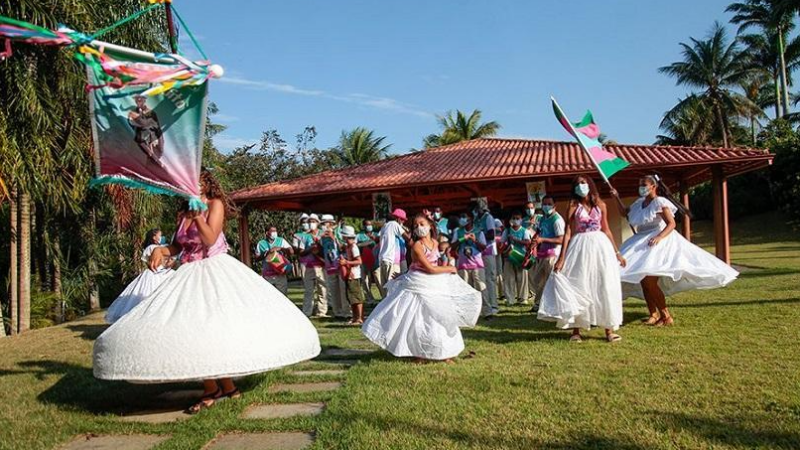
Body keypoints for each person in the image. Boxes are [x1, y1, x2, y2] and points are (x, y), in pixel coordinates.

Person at [93, 170, 321, 413]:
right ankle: (221, 386)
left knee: (213, 327)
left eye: (198, 182)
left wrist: (198, 215)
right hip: (189, 273)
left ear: (206, 183)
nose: (193, 186)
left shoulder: (215, 204)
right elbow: (179, 245)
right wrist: (162, 250)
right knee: (193, 329)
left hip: (215, 271)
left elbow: (210, 238)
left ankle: (218, 388)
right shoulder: (182, 212)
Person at [614, 175, 738, 326]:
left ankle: (666, 316)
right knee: (643, 280)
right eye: (640, 184)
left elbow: (671, 223)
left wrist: (659, 237)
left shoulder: (659, 202)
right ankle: (653, 314)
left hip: (657, 243)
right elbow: (625, 213)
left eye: (644, 184)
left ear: (653, 186)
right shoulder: (639, 203)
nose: (641, 187)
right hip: (640, 241)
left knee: (649, 281)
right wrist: (616, 198)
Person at [362, 214, 481, 363]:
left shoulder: (435, 243)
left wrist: (445, 266)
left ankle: (445, 352)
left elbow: (435, 265)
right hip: (418, 282)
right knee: (418, 318)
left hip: (432, 283)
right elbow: (429, 268)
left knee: (440, 316)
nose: (419, 228)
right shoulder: (417, 246)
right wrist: (450, 268)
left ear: (430, 225)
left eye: (422, 224)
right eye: (416, 226)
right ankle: (419, 352)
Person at [537, 176, 626, 343]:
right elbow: (568, 232)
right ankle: (576, 330)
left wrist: (617, 252)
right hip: (580, 247)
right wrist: (562, 257)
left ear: (590, 185)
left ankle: (609, 329)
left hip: (601, 247)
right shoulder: (572, 206)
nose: (580, 186)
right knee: (579, 284)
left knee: (604, 285)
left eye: (583, 183)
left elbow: (606, 229)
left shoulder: (601, 205)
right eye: (577, 183)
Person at [105, 228, 175, 323]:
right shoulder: (152, 248)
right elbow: (152, 263)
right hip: (154, 274)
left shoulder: (163, 247)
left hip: (164, 272)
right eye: (160, 235)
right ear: (154, 237)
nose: (162, 237)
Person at [451, 212, 491, 318]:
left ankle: (487, 311)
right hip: (463, 265)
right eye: (461, 217)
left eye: (464, 217)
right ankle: (466, 312)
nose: (462, 220)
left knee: (481, 288)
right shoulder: (458, 232)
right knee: (464, 290)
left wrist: (475, 240)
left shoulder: (479, 232)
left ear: (471, 219)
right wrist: (462, 239)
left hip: (477, 264)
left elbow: (483, 247)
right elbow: (452, 246)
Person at [530, 195, 566, 312]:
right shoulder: (542, 218)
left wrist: (543, 240)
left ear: (554, 205)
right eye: (544, 204)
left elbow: (561, 239)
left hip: (553, 254)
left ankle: (556, 305)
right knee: (538, 281)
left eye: (549, 204)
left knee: (553, 281)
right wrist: (535, 241)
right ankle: (538, 304)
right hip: (541, 254)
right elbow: (539, 232)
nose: (546, 206)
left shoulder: (557, 220)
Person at [471, 201, 499, 314]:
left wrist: (479, 235)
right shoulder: (476, 220)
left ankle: (494, 305)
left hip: (489, 250)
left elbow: (491, 235)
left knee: (490, 279)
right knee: (482, 280)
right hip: (479, 252)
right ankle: (485, 304)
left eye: (476, 210)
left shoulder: (488, 218)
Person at [320, 214, 350, 320]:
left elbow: (343, 248)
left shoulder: (340, 233)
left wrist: (334, 238)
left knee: (343, 289)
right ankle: (338, 313)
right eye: (322, 224)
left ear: (332, 224)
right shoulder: (322, 236)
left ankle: (347, 312)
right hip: (330, 267)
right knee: (334, 291)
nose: (324, 226)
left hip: (341, 265)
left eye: (325, 223)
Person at [298, 214, 328, 317]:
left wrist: (318, 247)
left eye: (313, 221)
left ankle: (321, 312)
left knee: (322, 289)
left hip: (321, 266)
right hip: (309, 267)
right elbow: (301, 252)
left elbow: (327, 249)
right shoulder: (304, 236)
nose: (311, 224)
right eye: (310, 221)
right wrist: (310, 249)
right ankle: (307, 312)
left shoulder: (323, 235)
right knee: (309, 290)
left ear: (318, 223)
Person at [501, 211, 533, 306]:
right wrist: (504, 250)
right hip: (509, 257)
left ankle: (522, 299)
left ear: (521, 220)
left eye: (517, 218)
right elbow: (502, 243)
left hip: (521, 257)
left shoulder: (525, 231)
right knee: (509, 278)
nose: (515, 220)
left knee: (522, 278)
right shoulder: (507, 231)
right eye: (514, 218)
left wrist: (516, 240)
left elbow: (528, 242)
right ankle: (510, 299)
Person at [377, 209, 410, 297]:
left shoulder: (384, 226)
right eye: (402, 220)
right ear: (398, 219)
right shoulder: (394, 224)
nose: (403, 222)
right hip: (392, 261)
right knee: (393, 289)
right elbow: (408, 238)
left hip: (384, 259)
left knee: (386, 289)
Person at [254, 226, 294, 295]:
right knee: (269, 298)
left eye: (275, 231)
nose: (275, 233)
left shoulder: (281, 240)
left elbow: (291, 251)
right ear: (267, 233)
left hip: (280, 275)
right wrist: (266, 253)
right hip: (267, 276)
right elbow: (256, 258)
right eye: (272, 231)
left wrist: (280, 248)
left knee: (283, 297)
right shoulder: (261, 243)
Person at [339, 226, 366, 325]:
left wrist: (347, 262)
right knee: (351, 298)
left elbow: (359, 261)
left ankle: (359, 318)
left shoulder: (354, 247)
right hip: (349, 275)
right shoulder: (348, 247)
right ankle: (355, 317)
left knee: (357, 298)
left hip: (354, 275)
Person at [128, 95, 164, 166]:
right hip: (142, 140)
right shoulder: (132, 113)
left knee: (156, 157)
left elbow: (155, 126)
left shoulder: (151, 113)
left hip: (154, 139)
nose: (138, 100)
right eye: (136, 99)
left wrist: (155, 139)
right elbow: (132, 124)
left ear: (144, 100)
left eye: (140, 99)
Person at [356, 219, 380, 304]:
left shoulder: (377, 235)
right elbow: (356, 245)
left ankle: (383, 297)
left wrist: (373, 241)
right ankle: (369, 299)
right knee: (364, 280)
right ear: (363, 226)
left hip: (376, 261)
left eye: (370, 224)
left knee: (378, 279)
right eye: (367, 225)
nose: (369, 226)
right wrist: (367, 243)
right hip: (363, 261)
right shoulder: (359, 236)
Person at [292, 213, 311, 279]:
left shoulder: (314, 233)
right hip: (304, 262)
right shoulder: (297, 235)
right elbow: (295, 249)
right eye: (303, 222)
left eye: (307, 222)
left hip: (317, 262)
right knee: (307, 282)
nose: (305, 224)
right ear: (301, 224)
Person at [494, 218, 505, 301]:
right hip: (488, 251)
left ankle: (501, 294)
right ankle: (494, 294)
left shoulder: (496, 220)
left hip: (497, 249)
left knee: (499, 273)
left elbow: (502, 229)